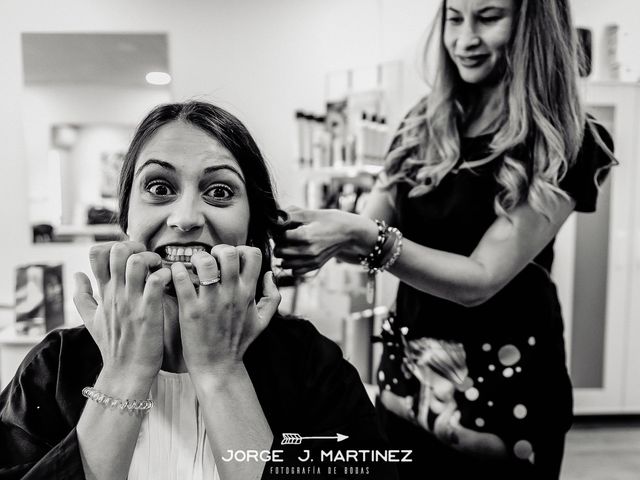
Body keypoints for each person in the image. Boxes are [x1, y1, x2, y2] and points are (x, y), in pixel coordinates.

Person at [274, 0, 617, 478]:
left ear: (534, 23)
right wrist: (316, 229)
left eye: (488, 17)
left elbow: (479, 279)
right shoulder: (424, 121)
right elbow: (370, 230)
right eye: (455, 18)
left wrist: (360, 236)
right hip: (407, 375)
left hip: (506, 389)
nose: (464, 39)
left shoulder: (570, 138)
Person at [0, 101, 398, 480]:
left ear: (251, 227)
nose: (186, 218)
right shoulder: (54, 368)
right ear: (125, 217)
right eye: (158, 187)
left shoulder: (314, 368)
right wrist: (124, 373)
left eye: (220, 191)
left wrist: (220, 373)